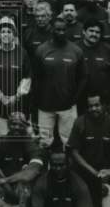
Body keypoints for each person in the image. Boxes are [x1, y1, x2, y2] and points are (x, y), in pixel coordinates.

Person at [34, 18, 85, 147]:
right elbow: (35, 78)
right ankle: (44, 165)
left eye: (63, 29)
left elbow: (83, 77)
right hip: (45, 106)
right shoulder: (41, 50)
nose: (61, 32)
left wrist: (75, 98)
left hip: (67, 106)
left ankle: (69, 166)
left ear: (67, 30)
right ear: (52, 30)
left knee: (69, 141)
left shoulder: (76, 51)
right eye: (58, 29)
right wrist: (38, 99)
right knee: (44, 142)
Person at [0, 17, 32, 137]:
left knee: (20, 137)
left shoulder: (22, 53)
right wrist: (1, 97)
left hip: (19, 105)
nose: (6, 34)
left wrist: (16, 96)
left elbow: (27, 77)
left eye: (9, 32)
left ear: (14, 34)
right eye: (3, 32)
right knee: (2, 139)